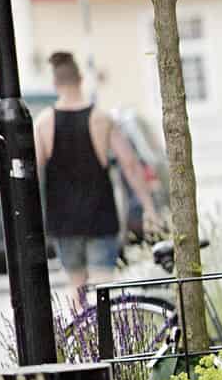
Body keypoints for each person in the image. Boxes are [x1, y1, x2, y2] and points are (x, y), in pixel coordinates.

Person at [35, 52, 155, 295]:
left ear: (55, 84)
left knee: (76, 286)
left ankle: (80, 332)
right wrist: (149, 207)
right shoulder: (101, 119)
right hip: (100, 215)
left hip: (63, 220)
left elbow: (34, 173)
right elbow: (130, 165)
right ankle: (104, 332)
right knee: (103, 285)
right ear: (80, 79)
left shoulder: (44, 123)